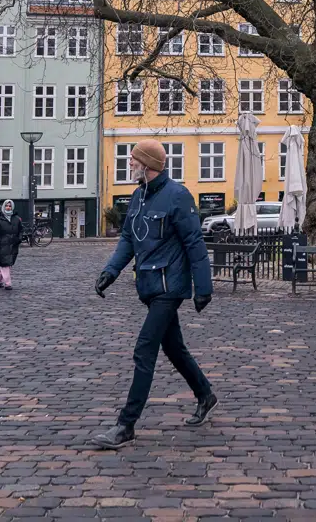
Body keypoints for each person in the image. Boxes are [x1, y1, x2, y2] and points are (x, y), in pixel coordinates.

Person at [93, 139, 215, 449]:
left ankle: (126, 425)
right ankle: (205, 394)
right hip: (148, 286)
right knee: (174, 347)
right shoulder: (137, 197)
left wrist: (203, 288)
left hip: (169, 287)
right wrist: (111, 271)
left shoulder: (178, 196)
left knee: (144, 348)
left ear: (147, 165)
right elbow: (127, 239)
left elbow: (195, 246)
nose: (130, 164)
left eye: (133, 160)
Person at [0, 200, 24, 290]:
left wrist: (19, 239)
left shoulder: (16, 219)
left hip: (13, 245)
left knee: (7, 264)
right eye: (6, 206)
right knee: (5, 264)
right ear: (3, 207)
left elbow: (21, 230)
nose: (8, 207)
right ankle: (7, 283)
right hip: (2, 245)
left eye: (10, 206)